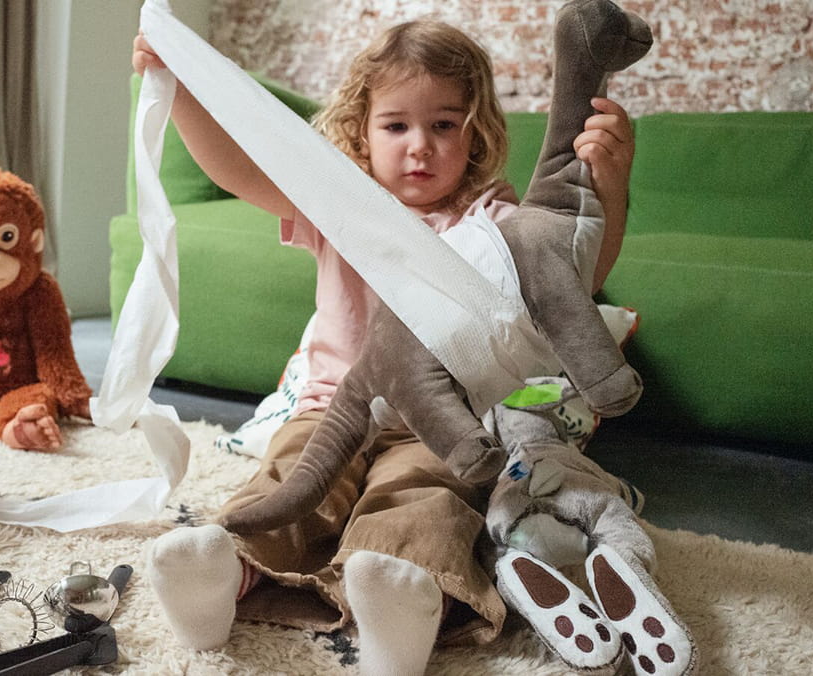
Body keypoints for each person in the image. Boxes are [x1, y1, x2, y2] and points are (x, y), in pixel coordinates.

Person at [133, 17, 635, 675]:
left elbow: (573, 276)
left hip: (442, 425)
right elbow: (238, 169)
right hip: (329, 408)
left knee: (422, 496)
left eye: (444, 124)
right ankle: (223, 573)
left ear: (476, 132)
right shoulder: (341, 204)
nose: (420, 146)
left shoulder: (489, 219)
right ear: (361, 131)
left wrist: (610, 183)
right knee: (289, 481)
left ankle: (399, 594)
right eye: (396, 126)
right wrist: (179, 88)